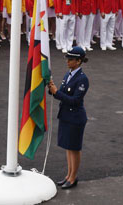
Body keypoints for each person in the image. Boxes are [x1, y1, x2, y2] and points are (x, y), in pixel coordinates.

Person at [48, 46, 89, 190]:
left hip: (75, 117)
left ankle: (73, 177)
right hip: (66, 115)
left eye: (70, 59)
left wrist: (57, 92)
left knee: (74, 148)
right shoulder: (69, 74)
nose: (67, 61)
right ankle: (69, 175)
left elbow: (74, 100)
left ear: (78, 61)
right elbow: (63, 93)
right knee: (68, 147)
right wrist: (52, 89)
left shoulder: (82, 79)